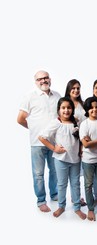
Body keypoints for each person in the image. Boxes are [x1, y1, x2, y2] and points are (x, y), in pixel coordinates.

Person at [17, 70, 61, 212]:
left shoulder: (57, 96)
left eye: (45, 78)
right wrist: (35, 130)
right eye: (39, 79)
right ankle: (41, 200)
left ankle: (54, 194)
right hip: (37, 143)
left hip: (54, 142)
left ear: (50, 79)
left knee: (54, 171)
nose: (43, 81)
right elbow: (20, 119)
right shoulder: (30, 97)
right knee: (38, 173)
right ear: (35, 81)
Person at [38, 97, 86, 220]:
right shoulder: (56, 123)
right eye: (63, 108)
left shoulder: (77, 122)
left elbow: (80, 139)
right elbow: (42, 137)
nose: (66, 110)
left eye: (69, 108)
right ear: (59, 110)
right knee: (62, 184)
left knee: (75, 184)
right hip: (61, 159)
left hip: (75, 159)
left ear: (72, 109)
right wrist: (54, 148)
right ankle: (61, 206)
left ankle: (77, 207)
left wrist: (81, 150)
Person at [65, 79, 87, 206]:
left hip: (83, 140)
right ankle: (75, 197)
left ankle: (80, 196)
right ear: (68, 89)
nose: (76, 90)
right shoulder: (65, 103)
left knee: (84, 170)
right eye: (73, 88)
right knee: (73, 172)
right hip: (70, 140)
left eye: (78, 88)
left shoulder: (83, 104)